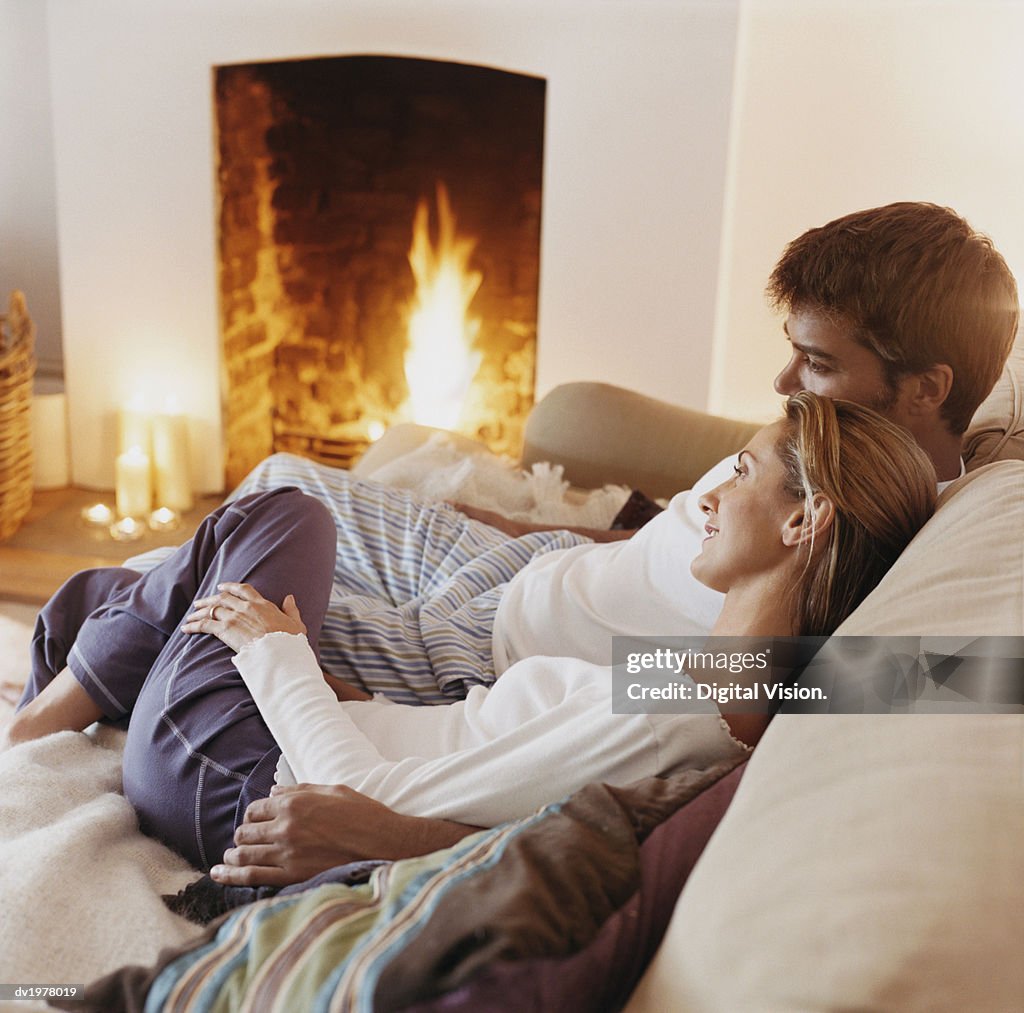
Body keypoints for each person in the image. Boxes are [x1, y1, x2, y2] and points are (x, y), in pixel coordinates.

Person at [4, 394, 935, 879]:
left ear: (807, 521)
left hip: (240, 781)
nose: (712, 493)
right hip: (298, 739)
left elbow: (362, 802)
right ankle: (85, 649)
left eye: (740, 471)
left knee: (285, 513)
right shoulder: (730, 681)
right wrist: (344, 696)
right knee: (151, 585)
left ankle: (51, 704)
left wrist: (280, 662)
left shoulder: (683, 706)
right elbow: (937, 674)